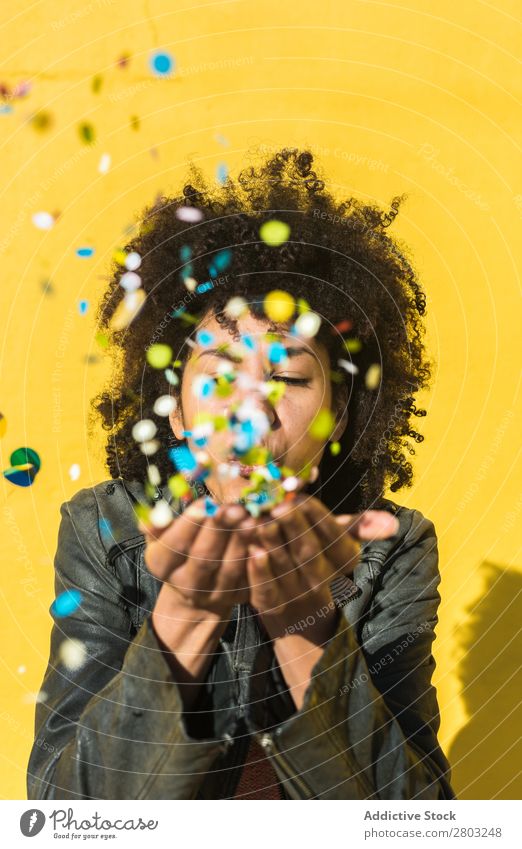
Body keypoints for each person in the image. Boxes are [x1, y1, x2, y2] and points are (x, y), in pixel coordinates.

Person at [27, 148, 456, 800]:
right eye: (221, 375)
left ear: (339, 417)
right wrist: (183, 617)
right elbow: (62, 815)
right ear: (173, 409)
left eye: (285, 378)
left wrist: (305, 621)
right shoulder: (103, 529)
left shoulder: (391, 545)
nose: (250, 414)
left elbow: (419, 820)